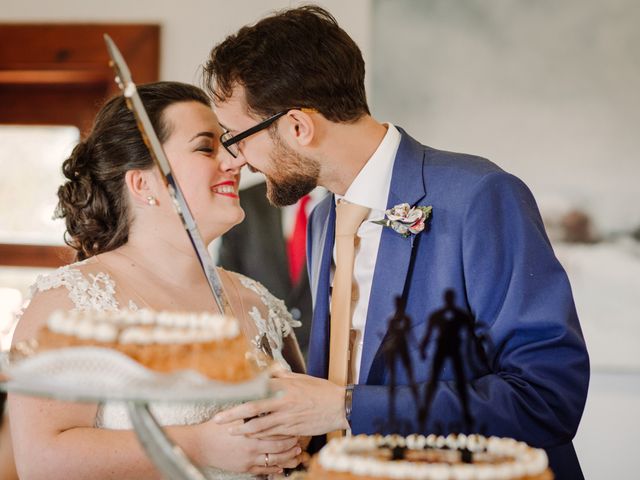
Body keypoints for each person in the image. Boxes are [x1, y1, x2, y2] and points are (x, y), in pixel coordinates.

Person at [203, 6, 590, 479]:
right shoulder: (326, 218)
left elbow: (545, 398)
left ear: (298, 127)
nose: (236, 159)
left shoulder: (479, 196)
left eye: (237, 137)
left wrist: (347, 407)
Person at [8, 81, 305, 479]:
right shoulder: (71, 303)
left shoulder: (259, 302)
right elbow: (40, 462)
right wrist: (200, 444)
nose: (235, 163)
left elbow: (308, 431)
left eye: (228, 146)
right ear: (143, 183)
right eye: (206, 147)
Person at [218, 181, 327, 356]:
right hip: (263, 356)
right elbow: (227, 287)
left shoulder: (345, 203)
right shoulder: (245, 203)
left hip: (329, 358)